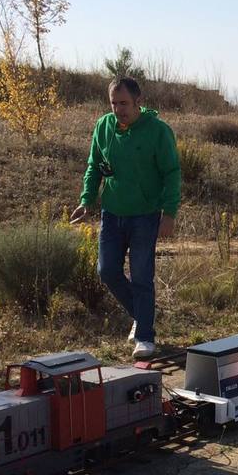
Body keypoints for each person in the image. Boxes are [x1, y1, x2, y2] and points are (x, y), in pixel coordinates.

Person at [71, 77, 181, 360]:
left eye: (124, 103)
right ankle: (142, 316)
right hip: (112, 213)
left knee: (142, 275)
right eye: (114, 103)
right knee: (106, 271)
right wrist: (86, 201)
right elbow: (94, 166)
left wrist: (169, 213)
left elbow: (172, 173)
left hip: (145, 216)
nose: (119, 109)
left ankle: (145, 336)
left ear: (138, 102)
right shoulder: (103, 126)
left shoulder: (158, 131)